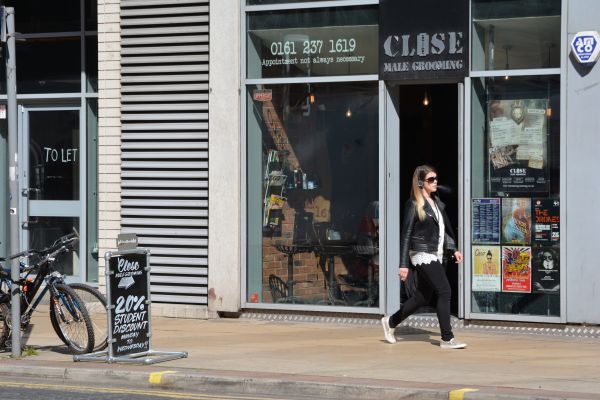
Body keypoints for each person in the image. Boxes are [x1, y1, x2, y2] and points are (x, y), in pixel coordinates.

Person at [381, 165, 466, 349]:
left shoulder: (437, 202)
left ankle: (390, 322)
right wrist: (403, 265)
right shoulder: (413, 204)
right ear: (420, 182)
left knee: (421, 297)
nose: (435, 182)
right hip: (422, 254)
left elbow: (443, 231)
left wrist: (454, 249)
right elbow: (406, 235)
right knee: (444, 291)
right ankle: (447, 338)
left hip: (437, 253)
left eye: (436, 179)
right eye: (430, 179)